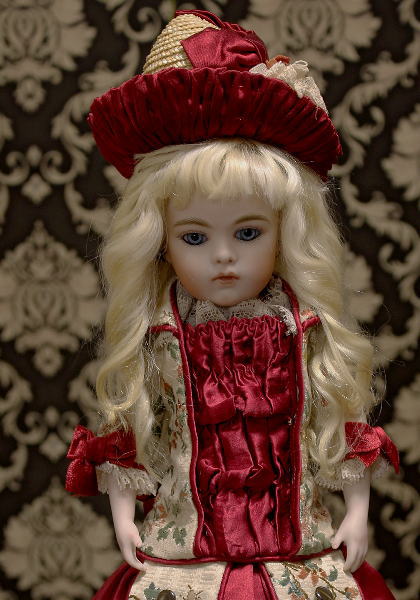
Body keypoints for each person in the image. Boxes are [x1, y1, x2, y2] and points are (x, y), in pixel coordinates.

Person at [66, 10, 399, 600]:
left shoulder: (303, 328)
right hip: (181, 561)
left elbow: (337, 424)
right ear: (161, 244)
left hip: (301, 557)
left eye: (248, 233)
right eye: (194, 237)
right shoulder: (161, 336)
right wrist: (124, 515)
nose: (224, 257)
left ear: (284, 234)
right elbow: (133, 432)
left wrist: (357, 510)